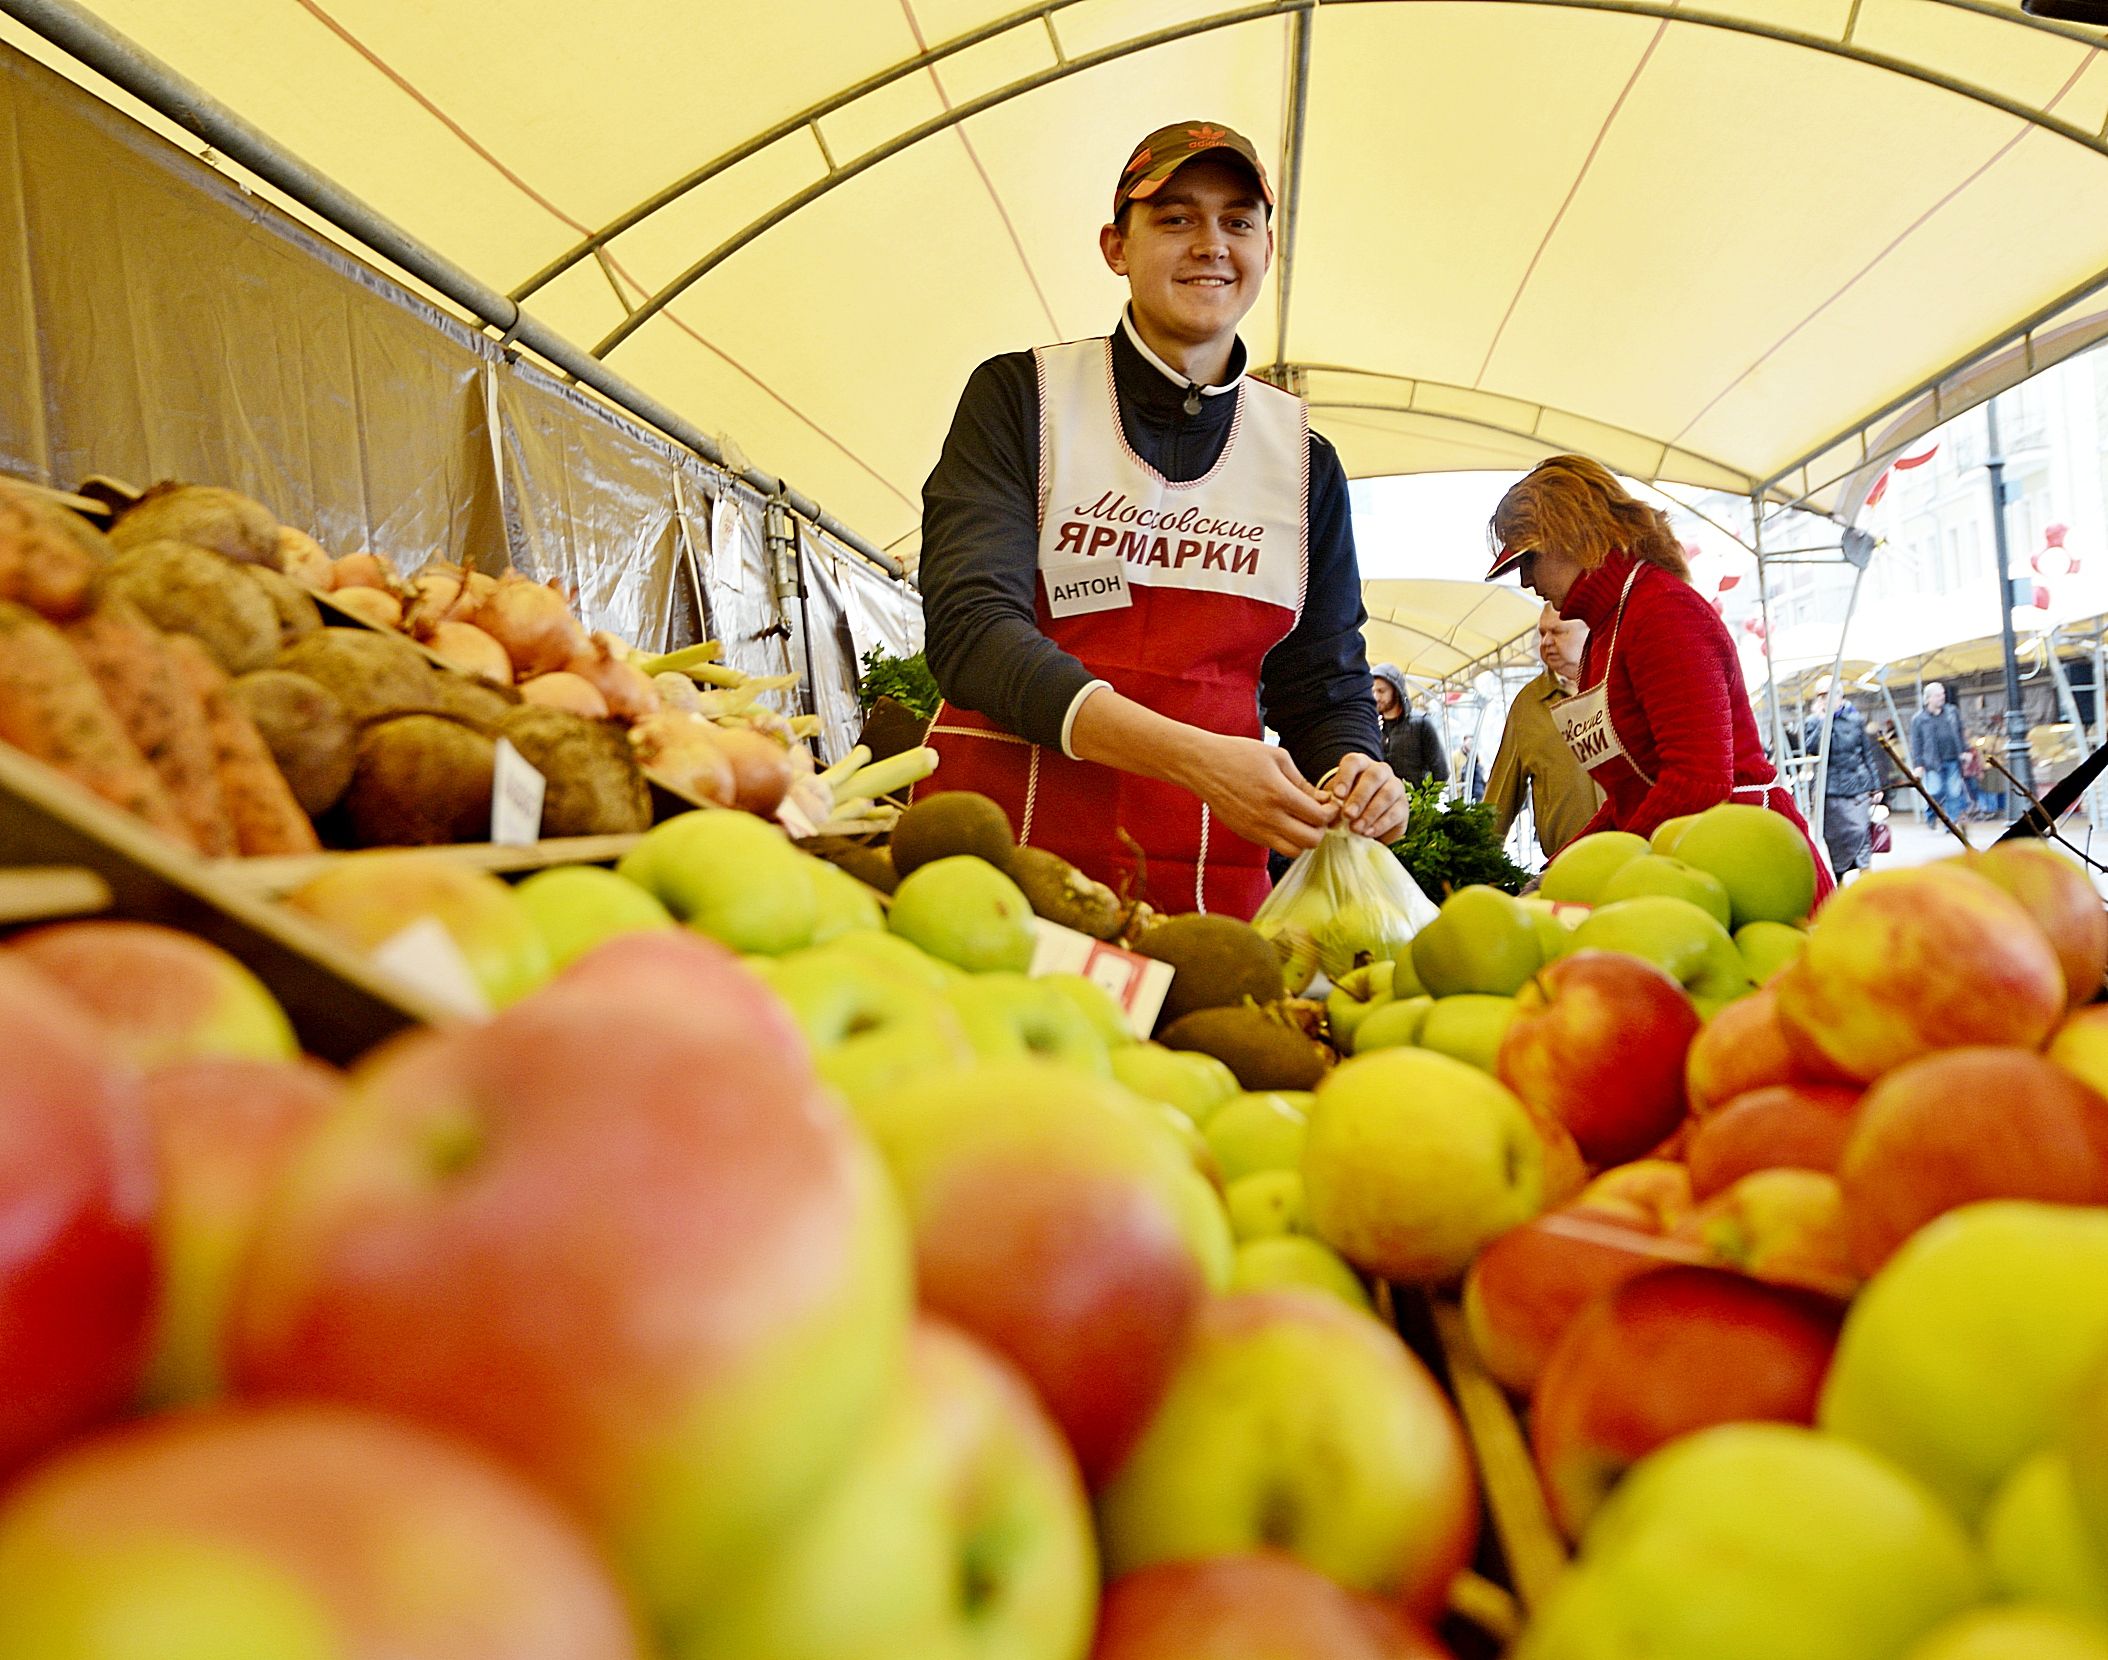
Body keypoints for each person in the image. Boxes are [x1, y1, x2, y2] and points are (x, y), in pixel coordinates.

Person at [916, 120, 1405, 919]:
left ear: (1266, 252)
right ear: (1116, 245)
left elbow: (1322, 682)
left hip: (1206, 894)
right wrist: (1200, 760)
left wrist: (1356, 766)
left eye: (1237, 221)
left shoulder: (1303, 461)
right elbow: (973, 633)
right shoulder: (1021, 399)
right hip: (997, 864)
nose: (1211, 244)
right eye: (1175, 219)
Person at [1487, 455, 1835, 902]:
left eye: (1528, 559)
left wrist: (1600, 875)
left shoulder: (1662, 611)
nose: (1526, 579)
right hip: (1687, 865)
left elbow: (1698, 781)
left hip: (1751, 868)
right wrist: (1561, 867)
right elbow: (1628, 796)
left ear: (1571, 534)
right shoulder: (1604, 635)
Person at [1485, 604, 1604, 859]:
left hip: (1638, 854)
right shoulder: (1528, 704)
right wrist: (1480, 857)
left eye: (1558, 632)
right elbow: (1500, 796)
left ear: (1590, 631)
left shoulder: (1621, 684)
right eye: (1542, 634)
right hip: (1566, 866)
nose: (1546, 642)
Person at [1801, 679, 1882, 880]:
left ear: (1840, 697)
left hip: (1857, 784)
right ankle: (1840, 879)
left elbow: (1867, 753)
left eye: (1829, 696)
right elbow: (1811, 748)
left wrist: (1876, 786)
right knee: (1836, 837)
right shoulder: (1813, 722)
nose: (1826, 700)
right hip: (1830, 788)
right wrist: (1822, 721)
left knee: (1861, 831)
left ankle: (1866, 877)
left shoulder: (1855, 720)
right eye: (1821, 697)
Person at [1371, 665, 1449, 787]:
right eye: (1373, 691)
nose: (1376, 697)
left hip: (1415, 803)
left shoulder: (1422, 724)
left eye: (1381, 691)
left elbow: (1441, 772)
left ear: (1396, 690)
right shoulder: (1374, 729)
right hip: (1384, 804)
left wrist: (1423, 801)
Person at [1909, 682, 1968, 826]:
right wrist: (1918, 764)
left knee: (1954, 792)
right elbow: (1916, 743)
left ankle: (1951, 823)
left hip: (1953, 758)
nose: (1942, 697)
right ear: (1928, 699)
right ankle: (1930, 814)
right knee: (1935, 791)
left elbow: (1960, 732)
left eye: (1943, 694)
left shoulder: (1952, 711)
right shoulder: (1919, 719)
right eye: (1938, 695)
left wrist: (1965, 750)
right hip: (1932, 762)